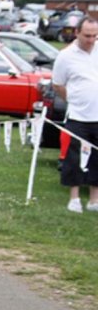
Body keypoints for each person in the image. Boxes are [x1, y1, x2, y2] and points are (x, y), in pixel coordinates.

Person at [51, 16, 98, 213]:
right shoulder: (66, 56)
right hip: (78, 115)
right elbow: (57, 84)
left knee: (96, 158)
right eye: (87, 36)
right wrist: (73, 99)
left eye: (95, 36)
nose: (91, 40)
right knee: (74, 157)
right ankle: (74, 198)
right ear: (77, 33)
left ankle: (94, 199)